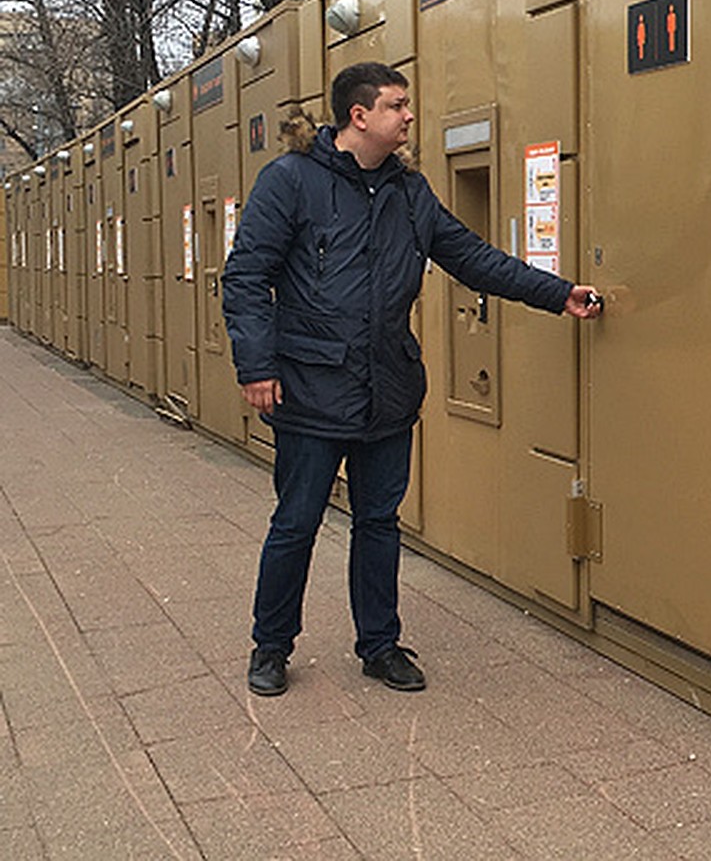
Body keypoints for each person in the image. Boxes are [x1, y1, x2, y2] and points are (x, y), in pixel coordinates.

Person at [221, 62, 601, 697]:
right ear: (359, 116)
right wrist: (256, 365)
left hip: (388, 390)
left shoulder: (409, 192)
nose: (408, 116)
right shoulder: (290, 181)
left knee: (379, 521)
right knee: (296, 522)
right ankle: (271, 646)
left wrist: (557, 293)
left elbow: (473, 258)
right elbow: (245, 278)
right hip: (312, 389)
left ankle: (379, 645)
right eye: (397, 105)